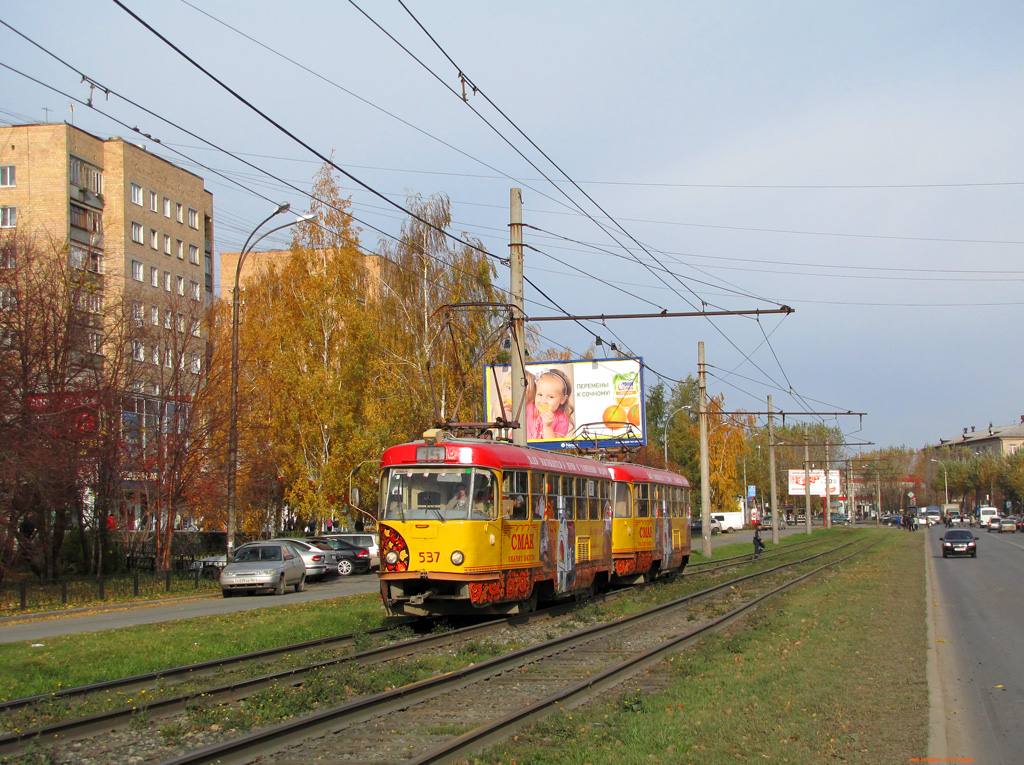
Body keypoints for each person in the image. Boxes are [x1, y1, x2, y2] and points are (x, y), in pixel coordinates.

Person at [525, 369, 574, 439]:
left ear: (563, 399)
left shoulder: (562, 418)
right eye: (540, 395)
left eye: (550, 397)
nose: (544, 401)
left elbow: (555, 444)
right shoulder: (528, 408)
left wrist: (547, 426)